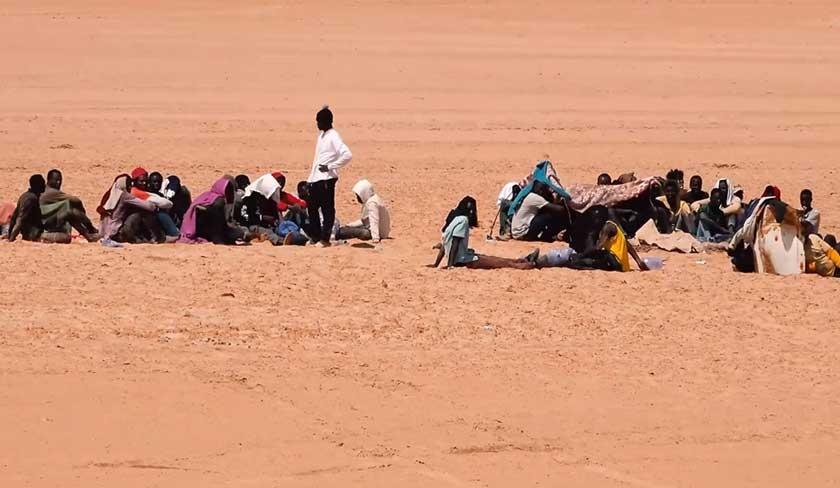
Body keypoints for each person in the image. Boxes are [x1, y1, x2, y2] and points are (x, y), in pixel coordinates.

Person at [430, 198, 537, 270]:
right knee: (499, 263)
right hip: (462, 261)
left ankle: (522, 260)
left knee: (494, 259)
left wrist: (436, 264)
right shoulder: (463, 221)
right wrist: (450, 265)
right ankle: (529, 265)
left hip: (463, 257)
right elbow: (455, 242)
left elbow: (444, 245)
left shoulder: (455, 219)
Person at [306, 106, 352, 247]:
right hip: (315, 179)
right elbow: (317, 159)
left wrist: (331, 166)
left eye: (319, 121)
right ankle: (315, 237)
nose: (317, 124)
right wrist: (310, 179)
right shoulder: (321, 136)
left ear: (325, 122)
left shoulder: (333, 136)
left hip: (326, 179)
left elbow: (347, 155)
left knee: (327, 210)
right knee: (312, 209)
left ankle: (325, 239)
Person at [567, 205, 649, 271]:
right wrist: (639, 262)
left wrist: (581, 255)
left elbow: (598, 248)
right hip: (623, 265)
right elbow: (628, 246)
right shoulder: (615, 228)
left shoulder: (608, 228)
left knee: (580, 262)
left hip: (615, 262)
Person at [179, 177, 247, 245]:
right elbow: (219, 223)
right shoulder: (218, 201)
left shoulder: (206, 196)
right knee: (239, 233)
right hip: (207, 231)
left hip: (194, 229)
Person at [98, 175, 162, 243]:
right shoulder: (124, 195)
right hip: (115, 233)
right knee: (139, 213)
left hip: (103, 232)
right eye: (129, 184)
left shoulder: (110, 194)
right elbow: (149, 206)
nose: (130, 187)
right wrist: (155, 204)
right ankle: (156, 237)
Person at [40, 169, 100, 239]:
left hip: (45, 218)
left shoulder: (43, 189)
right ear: (49, 180)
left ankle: (88, 233)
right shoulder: (52, 192)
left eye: (60, 180)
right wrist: (82, 211)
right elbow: (75, 200)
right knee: (72, 212)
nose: (58, 182)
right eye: (56, 180)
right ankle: (90, 230)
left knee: (69, 211)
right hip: (45, 222)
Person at [128, 167, 178, 241]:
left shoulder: (139, 191)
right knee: (158, 213)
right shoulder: (136, 192)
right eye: (141, 181)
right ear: (135, 181)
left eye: (145, 181)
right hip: (136, 224)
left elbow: (174, 179)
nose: (144, 183)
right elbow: (167, 203)